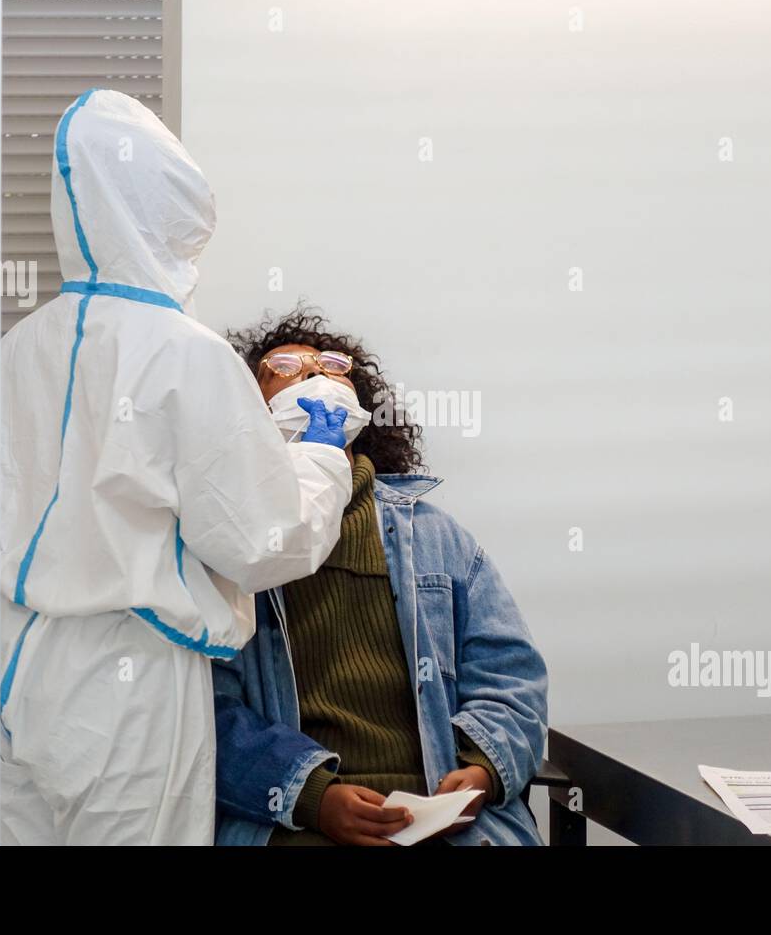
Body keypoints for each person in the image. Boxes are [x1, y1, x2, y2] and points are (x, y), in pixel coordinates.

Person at [0, 91, 353, 845]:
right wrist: (321, 452)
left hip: (10, 665)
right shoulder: (186, 354)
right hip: (130, 681)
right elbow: (262, 541)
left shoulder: (17, 350)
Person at [214, 306, 548, 846]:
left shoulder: (440, 540)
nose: (313, 378)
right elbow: (206, 710)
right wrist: (312, 796)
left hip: (446, 822)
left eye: (329, 369)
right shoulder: (224, 546)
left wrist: (483, 768)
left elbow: (512, 680)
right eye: (286, 369)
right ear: (248, 411)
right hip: (296, 824)